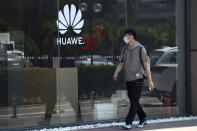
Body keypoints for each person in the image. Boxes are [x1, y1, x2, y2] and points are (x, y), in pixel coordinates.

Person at [113, 28, 154, 130]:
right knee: (134, 101)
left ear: (131, 36)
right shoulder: (125, 49)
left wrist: (150, 80)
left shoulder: (141, 49)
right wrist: (116, 72)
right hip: (128, 79)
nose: (125, 38)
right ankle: (143, 118)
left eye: (126, 35)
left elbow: (146, 65)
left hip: (138, 78)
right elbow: (121, 63)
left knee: (135, 100)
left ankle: (128, 122)